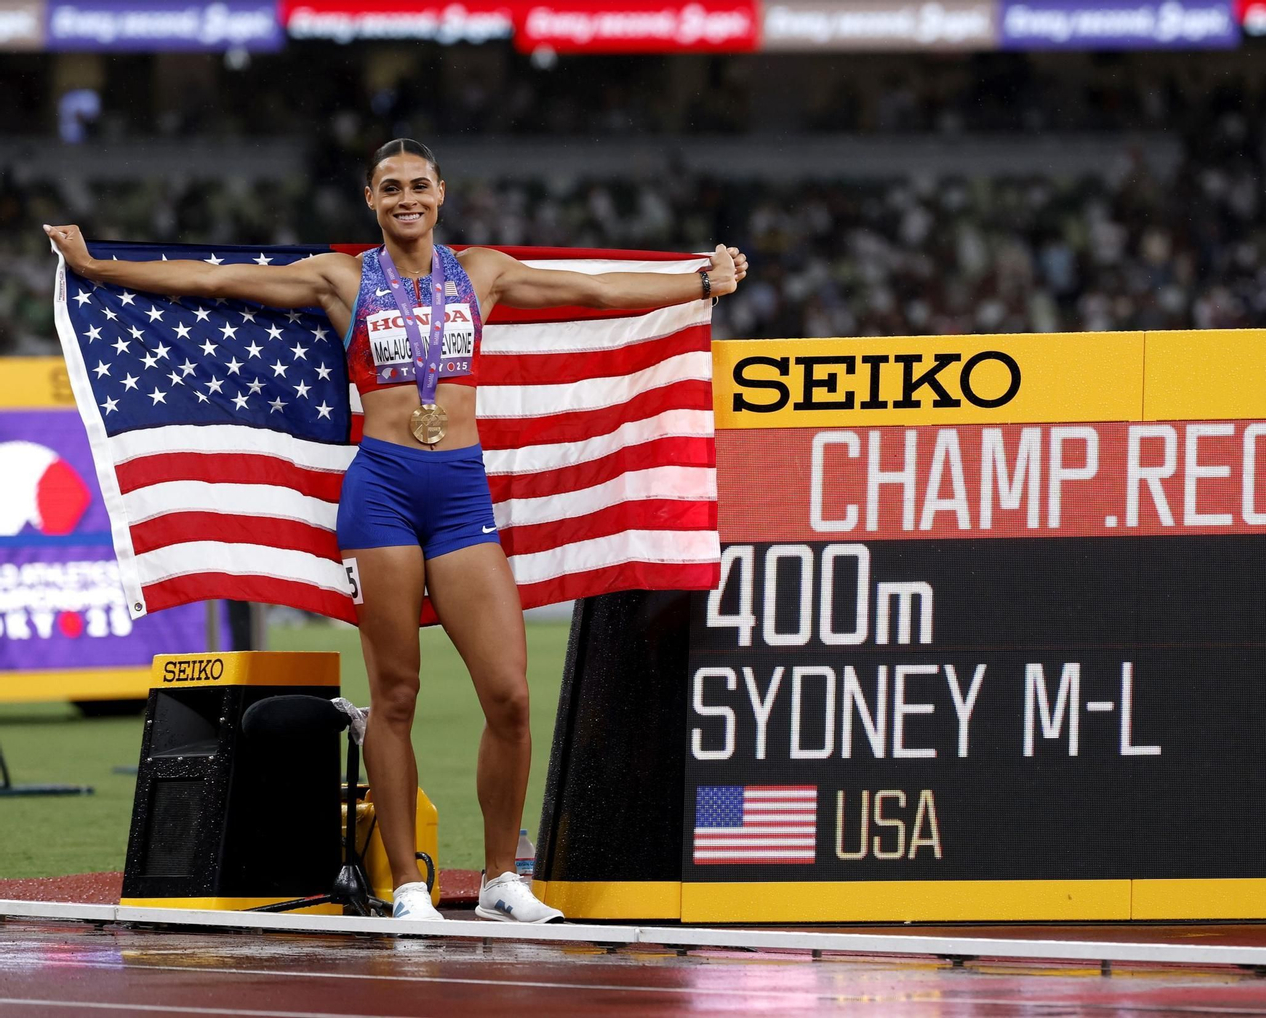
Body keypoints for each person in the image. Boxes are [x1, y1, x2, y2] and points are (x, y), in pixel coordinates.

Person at [43, 137, 747, 924]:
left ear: (441, 192)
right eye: (390, 187)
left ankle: (501, 881)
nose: (406, 197)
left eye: (418, 183)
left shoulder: (481, 272)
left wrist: (696, 280)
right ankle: (410, 884)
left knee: (510, 695)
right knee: (397, 695)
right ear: (371, 202)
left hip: (460, 494)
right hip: (380, 492)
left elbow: (591, 290)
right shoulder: (343, 278)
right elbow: (216, 280)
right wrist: (100, 270)